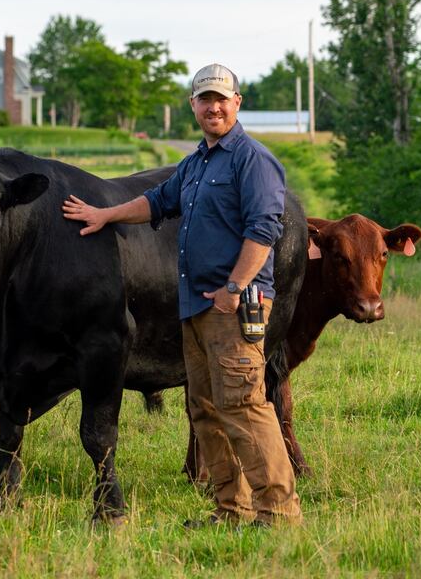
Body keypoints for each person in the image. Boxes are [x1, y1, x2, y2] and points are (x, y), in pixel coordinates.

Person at [61, 63, 302, 527]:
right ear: (192, 105)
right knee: (205, 409)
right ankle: (231, 509)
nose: (213, 106)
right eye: (204, 99)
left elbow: (265, 229)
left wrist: (234, 288)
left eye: (222, 99)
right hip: (194, 305)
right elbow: (156, 201)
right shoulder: (195, 163)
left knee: (245, 404)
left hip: (233, 306)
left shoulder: (253, 160)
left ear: (237, 103)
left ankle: (279, 511)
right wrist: (104, 215)